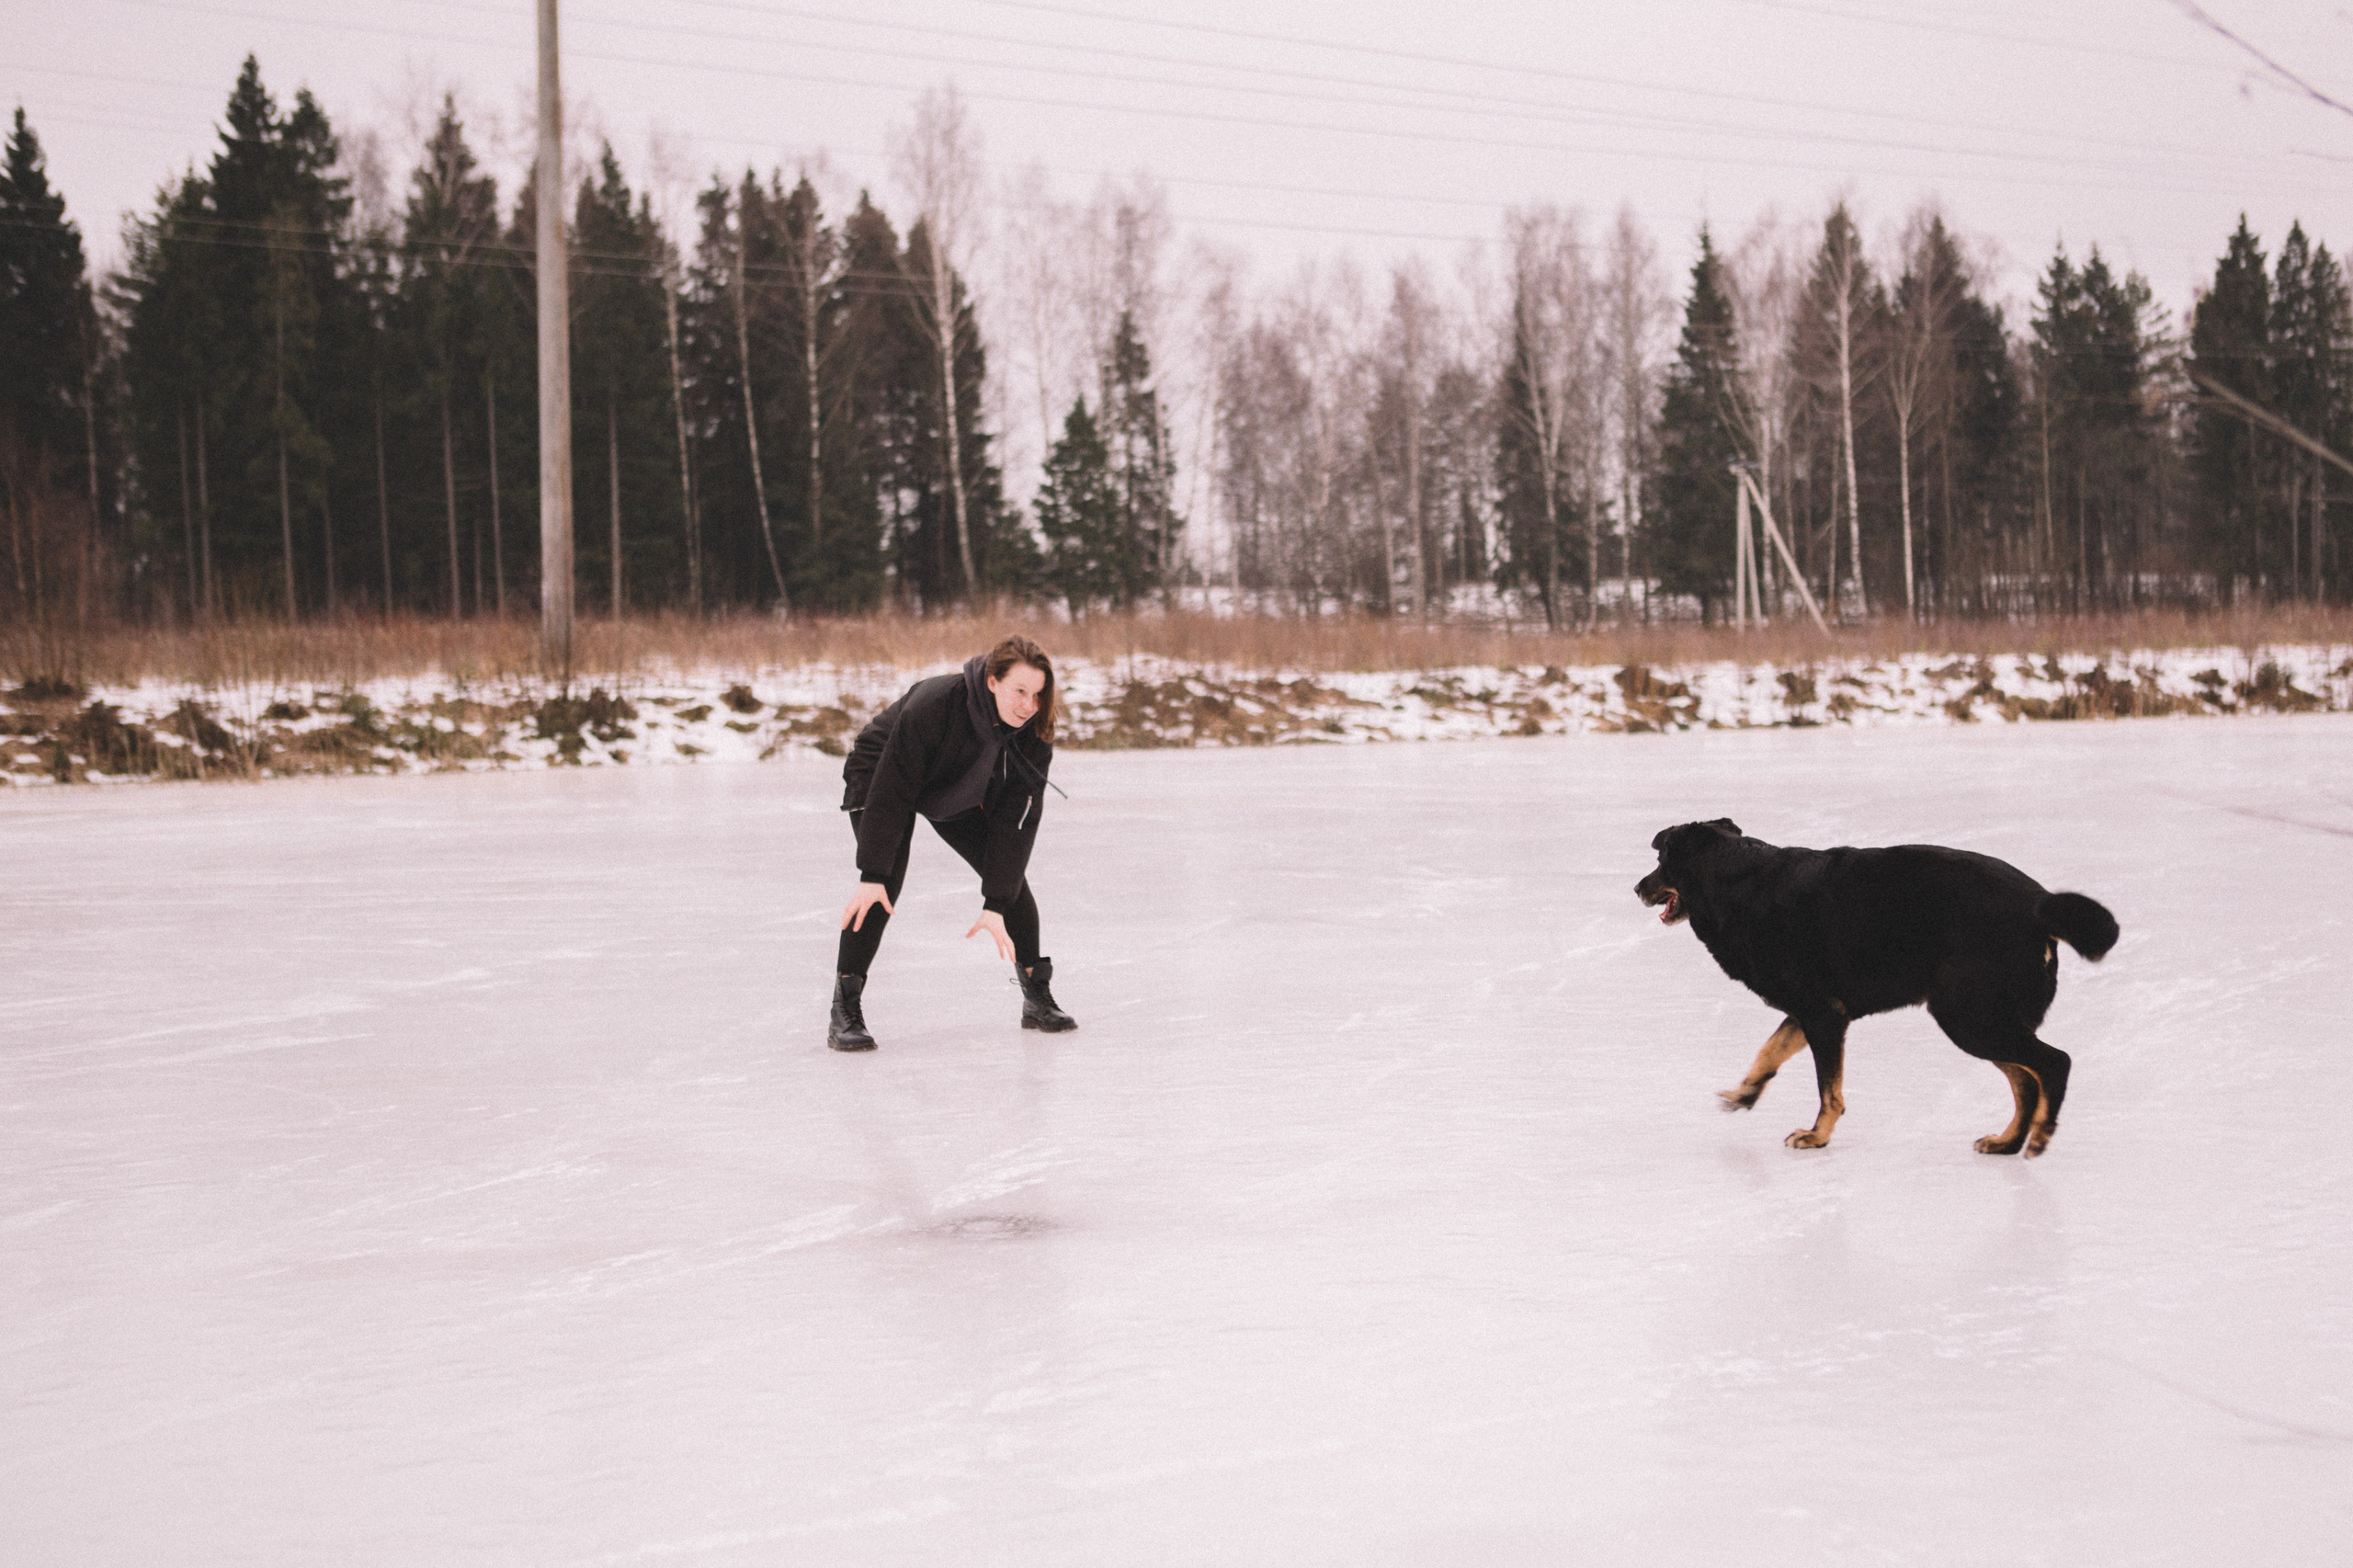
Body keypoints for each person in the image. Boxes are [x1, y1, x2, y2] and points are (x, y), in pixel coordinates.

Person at [829, 634, 1076, 1051]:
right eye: (1020, 691)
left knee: (1011, 880)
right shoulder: (936, 702)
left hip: (956, 782)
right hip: (882, 773)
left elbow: (1017, 818)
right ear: (993, 681)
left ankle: (1036, 995)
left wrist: (996, 901)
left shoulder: (1034, 725)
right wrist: (872, 871)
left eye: (1037, 694)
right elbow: (894, 786)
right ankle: (845, 1010)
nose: (1028, 705)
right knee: (882, 888)